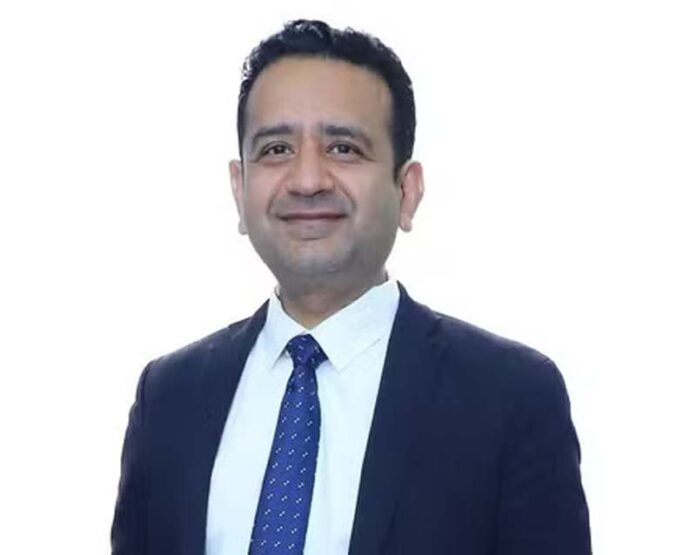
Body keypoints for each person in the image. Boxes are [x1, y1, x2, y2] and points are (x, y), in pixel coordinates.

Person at [111, 19, 591, 555]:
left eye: (342, 148)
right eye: (276, 149)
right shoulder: (168, 397)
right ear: (239, 189)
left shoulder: (511, 398)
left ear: (407, 191)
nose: (307, 180)